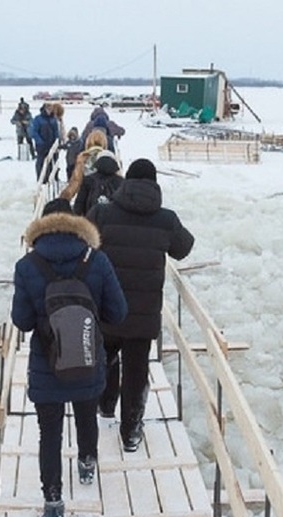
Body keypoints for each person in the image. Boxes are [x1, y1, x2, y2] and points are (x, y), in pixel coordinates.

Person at [11, 198, 127, 517]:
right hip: (89, 358)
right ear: (77, 223)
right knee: (86, 413)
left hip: (46, 364)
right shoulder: (98, 260)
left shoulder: (27, 265)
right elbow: (117, 312)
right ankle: (87, 461)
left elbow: (22, 321)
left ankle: (52, 503)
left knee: (49, 432)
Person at [86, 158, 194, 452]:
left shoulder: (103, 213)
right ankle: (130, 431)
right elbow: (184, 248)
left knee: (105, 356)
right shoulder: (166, 219)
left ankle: (105, 405)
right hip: (143, 315)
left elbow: (83, 243)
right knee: (136, 369)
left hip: (108, 308)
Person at [59, 129, 108, 204]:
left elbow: (74, 184)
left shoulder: (83, 159)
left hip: (87, 202)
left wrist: (61, 200)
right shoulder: (110, 159)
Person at [72, 150, 122, 216]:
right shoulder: (121, 181)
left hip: (91, 222)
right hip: (115, 222)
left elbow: (79, 204)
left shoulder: (88, 179)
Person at [30, 103, 60, 183]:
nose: (50, 110)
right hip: (41, 145)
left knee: (53, 161)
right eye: (48, 108)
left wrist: (57, 141)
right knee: (41, 162)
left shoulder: (53, 119)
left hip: (52, 145)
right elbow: (34, 132)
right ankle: (41, 179)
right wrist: (40, 142)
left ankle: (54, 177)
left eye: (51, 108)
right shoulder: (38, 119)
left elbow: (56, 131)